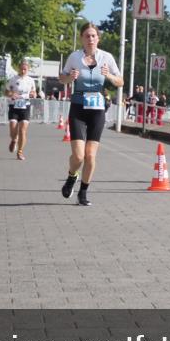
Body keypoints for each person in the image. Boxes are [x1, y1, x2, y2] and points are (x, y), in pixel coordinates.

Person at [59, 23, 124, 206]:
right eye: (87, 36)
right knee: (78, 156)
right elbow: (61, 77)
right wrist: (69, 78)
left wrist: (109, 77)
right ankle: (72, 177)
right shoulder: (74, 57)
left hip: (97, 110)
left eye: (93, 36)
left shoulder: (107, 58)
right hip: (78, 109)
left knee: (90, 156)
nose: (90, 39)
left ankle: (83, 192)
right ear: (82, 38)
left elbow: (120, 81)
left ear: (98, 38)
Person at [5, 60, 38, 160]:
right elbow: (6, 92)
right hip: (14, 106)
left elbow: (34, 93)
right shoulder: (13, 79)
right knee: (13, 128)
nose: (23, 71)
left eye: (25, 69)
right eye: (22, 69)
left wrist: (33, 95)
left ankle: (20, 152)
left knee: (23, 130)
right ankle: (14, 140)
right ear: (19, 68)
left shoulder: (31, 80)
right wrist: (11, 94)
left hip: (25, 106)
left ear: (28, 69)